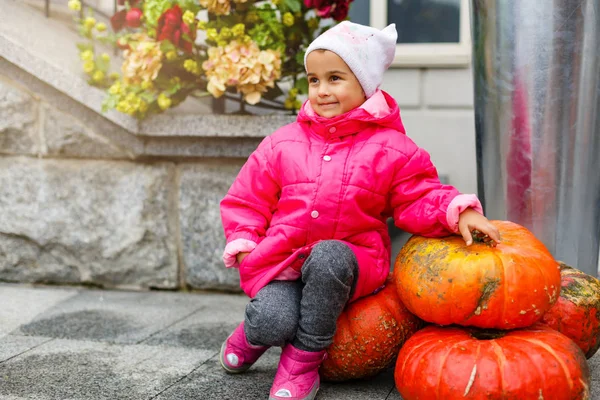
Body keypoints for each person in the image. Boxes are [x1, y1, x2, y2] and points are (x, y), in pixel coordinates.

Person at [218, 21, 501, 400]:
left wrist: (456, 210)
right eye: (313, 80)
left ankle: (302, 364)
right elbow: (248, 198)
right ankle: (251, 336)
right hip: (284, 263)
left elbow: (418, 195)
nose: (322, 90)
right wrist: (244, 236)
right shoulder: (282, 143)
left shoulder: (391, 148)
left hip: (349, 263)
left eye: (335, 78)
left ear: (365, 84)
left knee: (330, 255)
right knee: (271, 320)